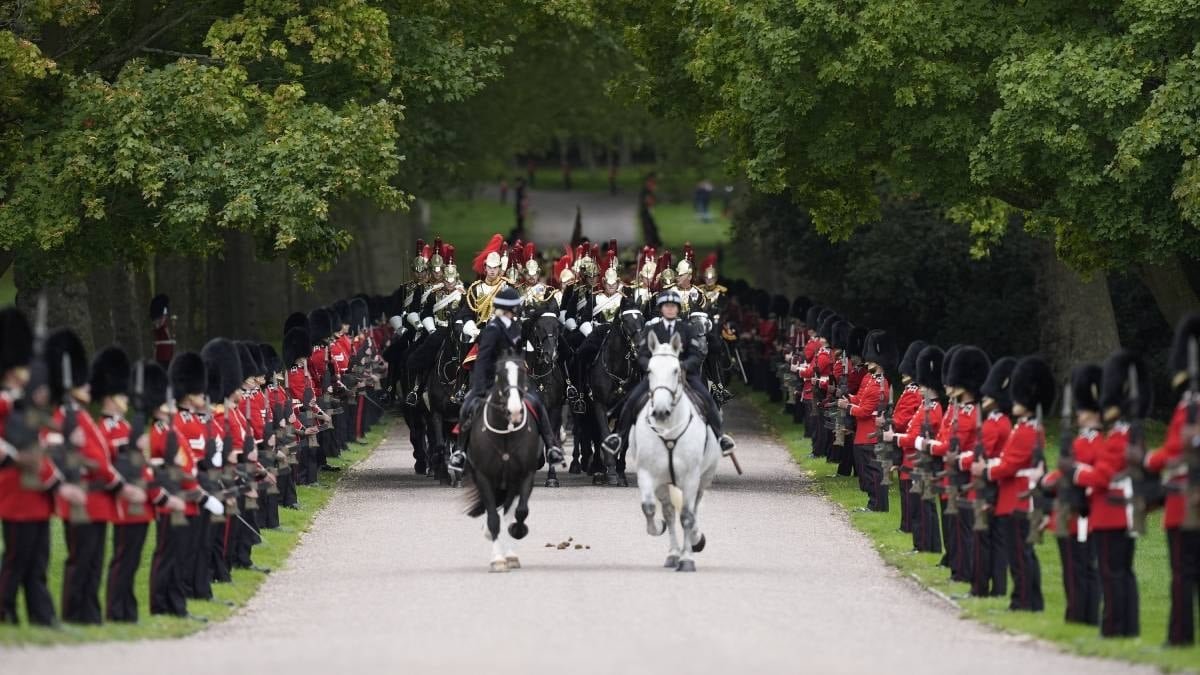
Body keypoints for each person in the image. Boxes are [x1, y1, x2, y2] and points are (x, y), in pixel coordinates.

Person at [46, 329, 146, 624]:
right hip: (85, 500)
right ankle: (74, 614)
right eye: (81, 382)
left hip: (98, 502)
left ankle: (89, 614)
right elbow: (93, 461)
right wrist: (120, 485)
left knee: (93, 563)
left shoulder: (80, 417)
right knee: (81, 561)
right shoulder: (65, 418)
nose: (87, 386)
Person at [0, 307, 87, 626]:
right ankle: (5, 610)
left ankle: (42, 615)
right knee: (16, 560)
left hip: (36, 493)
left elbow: (39, 445)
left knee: (37, 561)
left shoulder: (22, 405)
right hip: (17, 493)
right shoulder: (6, 403)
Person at [605, 290, 735, 456]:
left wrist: (684, 365)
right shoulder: (651, 328)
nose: (670, 309)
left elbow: (696, 355)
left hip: (684, 374)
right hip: (657, 375)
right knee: (631, 400)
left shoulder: (688, 329)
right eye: (667, 306)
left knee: (707, 400)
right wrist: (650, 365)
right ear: (661, 308)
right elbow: (642, 354)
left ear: (678, 309)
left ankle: (720, 437)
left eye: (673, 306)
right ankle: (619, 437)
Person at [449, 287, 563, 471]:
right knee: (468, 406)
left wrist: (538, 301)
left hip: (515, 378)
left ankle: (551, 447)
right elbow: (483, 359)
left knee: (538, 404)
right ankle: (460, 452)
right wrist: (479, 385)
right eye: (510, 309)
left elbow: (535, 321)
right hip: (492, 377)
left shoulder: (517, 327)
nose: (512, 312)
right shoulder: (491, 330)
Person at [972, 354, 1051, 612]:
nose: (1013, 401)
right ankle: (1030, 601)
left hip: (1017, 500)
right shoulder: (1024, 428)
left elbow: (1009, 465)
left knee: (1020, 555)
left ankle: (1023, 602)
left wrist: (985, 470)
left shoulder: (1027, 430)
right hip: (1014, 498)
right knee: (1021, 554)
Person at [1145, 311, 1200, 646]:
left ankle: (1179, 637)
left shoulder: (1188, 408)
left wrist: (1150, 459)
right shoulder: (1187, 406)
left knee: (1182, 574)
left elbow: (1175, 450)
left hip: (1185, 502)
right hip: (1181, 496)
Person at [1041, 364, 1103, 625]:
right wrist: (1050, 479)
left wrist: (1071, 471)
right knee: (1071, 567)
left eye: (1083, 409)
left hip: (1085, 512)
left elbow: (1095, 473)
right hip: (1068, 512)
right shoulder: (1081, 440)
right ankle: (1075, 613)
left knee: (1083, 567)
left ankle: (1084, 615)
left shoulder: (1099, 442)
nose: (1078, 413)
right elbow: (1065, 469)